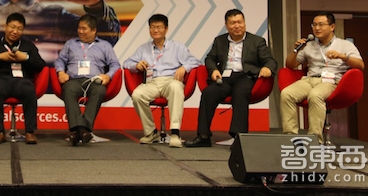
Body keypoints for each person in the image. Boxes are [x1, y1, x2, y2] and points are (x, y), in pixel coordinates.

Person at [185, 9, 276, 147]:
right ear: (226, 25)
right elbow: (210, 59)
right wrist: (214, 70)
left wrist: (267, 68)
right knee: (209, 93)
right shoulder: (220, 41)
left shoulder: (257, 41)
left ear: (244, 23)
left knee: (240, 93)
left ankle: (238, 137)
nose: (237, 26)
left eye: (240, 22)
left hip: (246, 76)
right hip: (225, 77)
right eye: (233, 23)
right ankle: (203, 136)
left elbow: (270, 60)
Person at [281, 12, 364, 143]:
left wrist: (343, 57)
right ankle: (290, 137)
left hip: (331, 82)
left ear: (332, 27)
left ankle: (314, 140)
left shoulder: (345, 45)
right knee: (286, 94)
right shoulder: (309, 45)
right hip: (309, 79)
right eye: (314, 25)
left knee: (315, 95)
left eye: (321, 24)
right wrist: (296, 50)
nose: (317, 28)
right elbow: (290, 65)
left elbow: (360, 65)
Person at [123, 14, 201, 147]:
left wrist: (184, 67)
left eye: (159, 27)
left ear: (166, 29)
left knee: (176, 87)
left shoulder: (177, 47)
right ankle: (151, 132)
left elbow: (195, 61)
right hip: (151, 82)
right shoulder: (143, 49)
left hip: (171, 80)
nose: (155, 30)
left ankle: (175, 133)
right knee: (137, 95)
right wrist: (136, 65)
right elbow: (126, 63)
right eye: (152, 27)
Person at [54, 14, 121, 146]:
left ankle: (77, 131)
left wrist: (108, 76)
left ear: (94, 30)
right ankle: (83, 131)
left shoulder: (104, 45)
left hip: (94, 81)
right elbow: (60, 60)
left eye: (84, 29)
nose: (80, 31)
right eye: (79, 28)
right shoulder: (70, 44)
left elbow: (115, 64)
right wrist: (60, 71)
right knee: (68, 90)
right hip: (74, 79)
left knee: (99, 91)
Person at [0, 13, 46, 144]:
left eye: (19, 29)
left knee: (29, 91)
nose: (15, 31)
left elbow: (41, 65)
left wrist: (26, 58)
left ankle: (30, 132)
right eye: (12, 27)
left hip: (22, 80)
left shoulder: (28, 46)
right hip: (0, 80)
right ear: (5, 26)